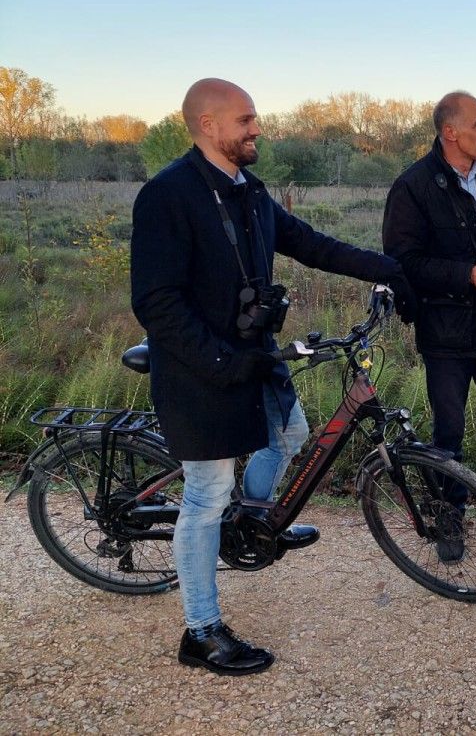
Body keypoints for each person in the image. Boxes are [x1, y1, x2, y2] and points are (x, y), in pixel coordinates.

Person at [131, 78, 410, 676]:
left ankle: (252, 519)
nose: (257, 128)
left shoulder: (250, 193)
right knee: (205, 497)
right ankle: (200, 631)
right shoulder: (168, 195)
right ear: (208, 125)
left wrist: (391, 269)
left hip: (255, 357)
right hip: (199, 369)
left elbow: (312, 245)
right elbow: (156, 302)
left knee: (289, 433)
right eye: (246, 119)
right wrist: (219, 362)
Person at [382, 91, 476, 555]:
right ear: (450, 132)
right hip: (445, 333)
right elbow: (402, 261)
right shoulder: (413, 186)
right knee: (448, 430)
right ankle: (450, 515)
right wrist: (466, 275)